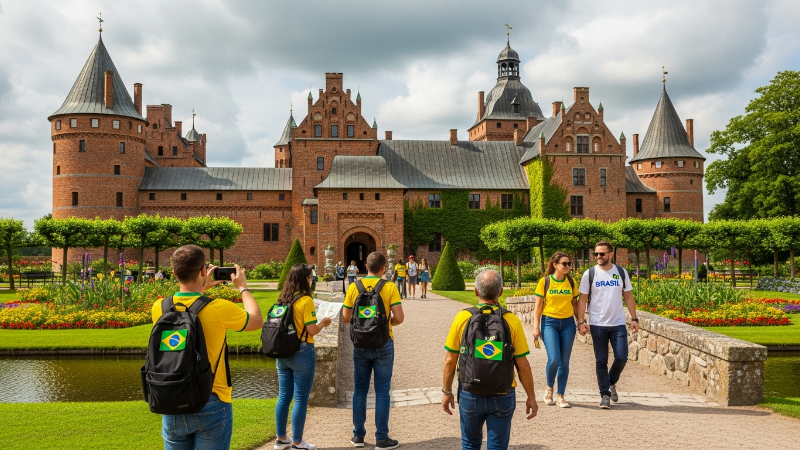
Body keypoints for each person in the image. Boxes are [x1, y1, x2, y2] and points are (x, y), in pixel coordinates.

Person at [151, 244, 264, 449]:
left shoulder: (159, 307)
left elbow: (188, 307)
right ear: (203, 270)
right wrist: (243, 288)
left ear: (175, 273)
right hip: (211, 399)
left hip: (171, 397)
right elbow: (256, 320)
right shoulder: (219, 308)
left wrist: (202, 286)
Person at [441, 269, 538, 450]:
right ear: (500, 292)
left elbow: (450, 360)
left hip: (470, 391)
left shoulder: (463, 317)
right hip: (503, 392)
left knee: (470, 443)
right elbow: (522, 365)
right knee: (498, 446)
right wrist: (531, 397)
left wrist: (447, 391)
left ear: (476, 292)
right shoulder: (511, 320)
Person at [342, 252, 404, 449]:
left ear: (365, 267)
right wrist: (386, 324)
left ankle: (358, 436)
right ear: (384, 267)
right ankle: (382, 438)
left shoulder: (354, 287)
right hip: (383, 342)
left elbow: (345, 317)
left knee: (360, 390)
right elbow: (400, 317)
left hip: (360, 343)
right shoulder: (389, 287)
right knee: (382, 391)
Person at [273, 264, 333, 450]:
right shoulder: (305, 300)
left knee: (283, 396)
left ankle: (281, 438)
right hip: (302, 351)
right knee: (300, 398)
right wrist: (323, 322)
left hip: (283, 353)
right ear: (304, 279)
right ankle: (298, 442)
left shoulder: (283, 299)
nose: (312, 279)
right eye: (310, 277)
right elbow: (312, 330)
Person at [576, 240, 639, 409]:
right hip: (597, 324)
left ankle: (611, 382)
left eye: (602, 254)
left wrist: (634, 318)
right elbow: (582, 300)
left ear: (610, 254)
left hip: (618, 323)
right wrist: (580, 321)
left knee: (622, 357)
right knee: (601, 361)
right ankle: (604, 394)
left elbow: (628, 296)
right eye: (596, 254)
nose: (598, 257)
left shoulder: (620, 272)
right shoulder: (589, 274)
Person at [532, 252, 578, 408]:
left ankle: (561, 396)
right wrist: (536, 327)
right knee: (554, 359)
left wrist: (581, 322)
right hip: (549, 322)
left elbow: (575, 304)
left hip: (568, 324)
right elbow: (538, 307)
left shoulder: (571, 282)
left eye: (569, 264)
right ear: (554, 264)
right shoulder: (544, 282)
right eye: (564, 264)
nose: (567, 267)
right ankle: (549, 388)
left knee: (564, 362)